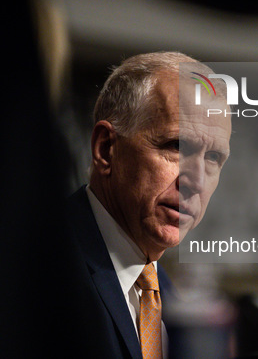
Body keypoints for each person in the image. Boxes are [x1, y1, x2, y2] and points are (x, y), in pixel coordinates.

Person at [65, 51, 232, 358]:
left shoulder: (165, 293)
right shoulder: (37, 264)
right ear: (106, 149)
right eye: (177, 146)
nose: (196, 181)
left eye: (213, 158)